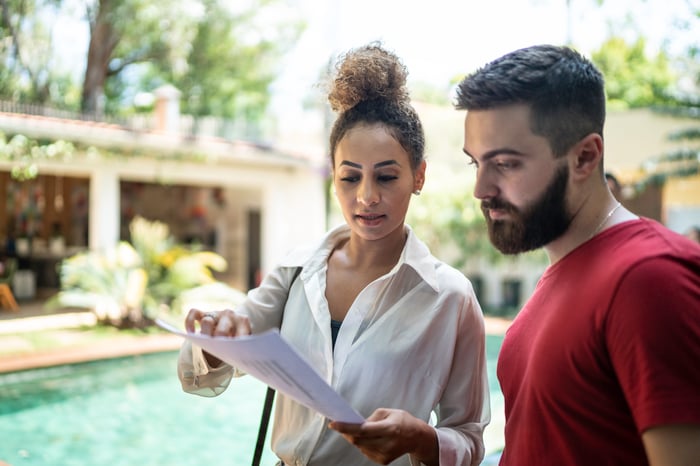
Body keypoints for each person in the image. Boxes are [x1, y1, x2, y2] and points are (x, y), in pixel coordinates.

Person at [178, 43, 490, 466]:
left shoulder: (450, 298)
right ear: (333, 176)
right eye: (350, 177)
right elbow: (206, 371)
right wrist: (217, 339)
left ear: (418, 176)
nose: (366, 197)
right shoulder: (297, 271)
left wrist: (422, 438)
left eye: (386, 176)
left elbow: (470, 439)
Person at [454, 44, 700, 466]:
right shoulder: (562, 275)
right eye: (475, 163)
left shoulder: (648, 277)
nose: (481, 189)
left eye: (506, 164)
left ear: (585, 156)